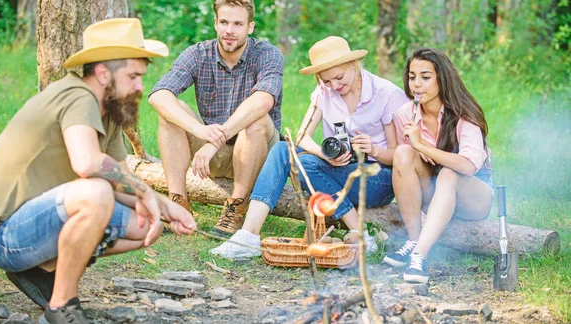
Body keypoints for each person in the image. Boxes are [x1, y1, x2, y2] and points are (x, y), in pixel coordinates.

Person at [0, 18, 196, 323]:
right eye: (133, 76)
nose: (141, 86)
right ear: (103, 73)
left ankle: (43, 270)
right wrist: (145, 193)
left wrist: (166, 207)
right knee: (96, 192)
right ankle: (61, 306)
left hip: (36, 221)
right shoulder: (77, 95)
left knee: (144, 225)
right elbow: (88, 163)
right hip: (3, 235)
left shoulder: (111, 111)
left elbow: (121, 180)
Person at [211, 36, 409, 259]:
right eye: (326, 81)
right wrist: (323, 154)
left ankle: (359, 231)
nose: (334, 86)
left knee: (303, 163)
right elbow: (302, 136)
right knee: (282, 150)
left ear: (353, 65)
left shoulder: (386, 94)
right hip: (339, 171)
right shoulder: (324, 93)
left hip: (377, 178)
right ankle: (248, 235)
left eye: (339, 77)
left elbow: (402, 157)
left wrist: (373, 150)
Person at [149, 0, 283, 238]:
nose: (229, 30)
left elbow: (264, 100)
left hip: (259, 152)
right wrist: (199, 131)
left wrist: (214, 141)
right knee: (172, 111)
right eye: (224, 22)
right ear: (215, 23)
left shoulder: (267, 54)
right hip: (215, 153)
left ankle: (236, 206)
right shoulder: (198, 54)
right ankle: (178, 202)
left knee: (256, 120)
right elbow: (158, 95)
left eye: (237, 24)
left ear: (250, 27)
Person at [383, 47, 493, 284]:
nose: (416, 85)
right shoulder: (405, 114)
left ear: (442, 79)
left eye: (425, 77)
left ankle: (420, 255)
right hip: (434, 194)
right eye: (412, 77)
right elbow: (407, 165)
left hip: (474, 196)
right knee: (403, 153)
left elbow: (468, 166)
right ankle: (413, 239)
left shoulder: (465, 114)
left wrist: (423, 146)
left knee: (450, 173)